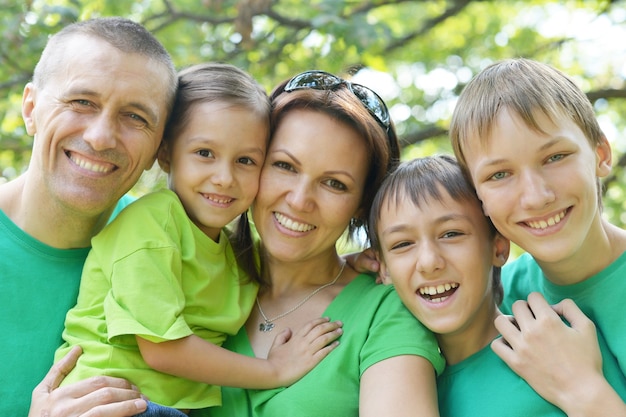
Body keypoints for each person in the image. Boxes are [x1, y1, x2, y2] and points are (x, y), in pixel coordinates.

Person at [53, 63, 343, 416]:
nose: (224, 178)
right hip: (111, 403)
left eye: (246, 160)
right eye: (205, 153)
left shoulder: (236, 251)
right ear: (166, 154)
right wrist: (275, 370)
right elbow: (162, 349)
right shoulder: (151, 226)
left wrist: (361, 260)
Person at [195, 70, 445, 417]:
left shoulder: (383, 310)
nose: (299, 200)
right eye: (284, 165)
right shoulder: (191, 273)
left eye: (334, 183)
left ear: (361, 204)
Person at [0, 17, 179, 416]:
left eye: (135, 117)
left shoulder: (174, 253)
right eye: (82, 102)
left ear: (158, 150)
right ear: (30, 109)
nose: (100, 137)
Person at [369, 155, 626, 416]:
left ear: (499, 247)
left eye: (451, 234)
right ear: (384, 268)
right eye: (402, 244)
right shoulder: (397, 393)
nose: (428, 262)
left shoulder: (562, 344)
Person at [449, 57, 626, 415]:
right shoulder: (492, 298)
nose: (535, 196)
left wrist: (582, 391)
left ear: (600, 155)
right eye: (499, 175)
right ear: (476, 197)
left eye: (555, 157)